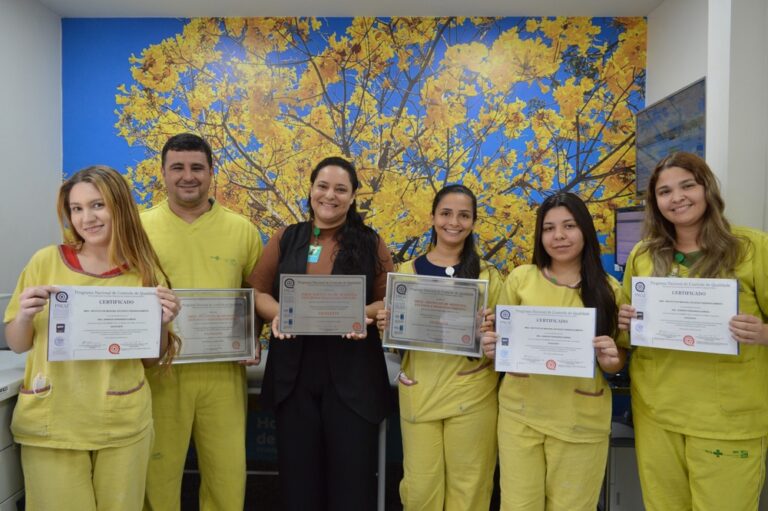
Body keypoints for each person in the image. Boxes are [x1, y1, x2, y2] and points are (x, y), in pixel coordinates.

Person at [4, 165, 180, 511]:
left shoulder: (144, 273)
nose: (87, 218)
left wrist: (162, 322)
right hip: (54, 422)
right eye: (77, 208)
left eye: (98, 205)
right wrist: (24, 315)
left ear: (120, 207)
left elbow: (150, 359)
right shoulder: (45, 262)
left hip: (121, 423)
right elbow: (17, 343)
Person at [617, 152, 768, 511]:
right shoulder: (643, 256)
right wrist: (626, 322)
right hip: (657, 415)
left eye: (687, 186)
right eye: (665, 191)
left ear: (707, 188)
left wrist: (762, 333)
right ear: (655, 202)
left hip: (726, 420)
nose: (677, 198)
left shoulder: (752, 248)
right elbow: (627, 336)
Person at [248, 156, 394, 510]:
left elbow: (388, 300)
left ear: (353, 196)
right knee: (299, 484)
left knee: (351, 485)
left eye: (340, 189)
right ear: (311, 189)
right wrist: (279, 314)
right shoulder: (287, 238)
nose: (330, 195)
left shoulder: (371, 242)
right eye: (322, 186)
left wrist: (360, 315)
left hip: (354, 376)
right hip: (294, 375)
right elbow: (257, 291)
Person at [481, 192, 626, 511]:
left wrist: (611, 360)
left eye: (569, 226)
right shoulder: (521, 279)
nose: (558, 236)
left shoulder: (609, 289)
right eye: (549, 228)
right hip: (521, 414)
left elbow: (618, 360)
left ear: (585, 230)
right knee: (518, 505)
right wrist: (492, 347)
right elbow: (502, 344)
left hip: (579, 419)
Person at [141, 133, 263, 511]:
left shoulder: (242, 229)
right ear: (163, 173)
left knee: (226, 476)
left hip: (222, 373)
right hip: (160, 371)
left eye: (197, 167)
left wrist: (252, 336)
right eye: (177, 167)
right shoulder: (138, 228)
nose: (187, 176)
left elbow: (255, 294)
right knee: (156, 476)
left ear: (211, 172)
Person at [375, 184, 502, 510]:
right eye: (446, 213)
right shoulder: (407, 272)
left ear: (473, 222)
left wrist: (492, 332)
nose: (454, 222)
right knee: (420, 491)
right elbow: (398, 344)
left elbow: (503, 342)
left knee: (469, 489)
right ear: (432, 217)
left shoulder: (488, 275)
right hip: (421, 390)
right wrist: (388, 327)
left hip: (472, 395)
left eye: (464, 215)